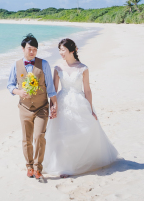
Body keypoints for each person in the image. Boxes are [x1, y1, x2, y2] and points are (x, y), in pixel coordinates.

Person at [42, 38, 118, 177]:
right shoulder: (58, 68)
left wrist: (91, 109)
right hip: (62, 101)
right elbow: (53, 89)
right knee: (62, 134)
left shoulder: (83, 68)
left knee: (80, 132)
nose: (60, 53)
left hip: (79, 101)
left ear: (71, 50)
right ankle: (63, 166)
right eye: (59, 50)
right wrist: (53, 106)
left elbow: (87, 90)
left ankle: (76, 163)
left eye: (63, 50)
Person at [7, 33, 57, 180]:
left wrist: (54, 105)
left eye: (35, 49)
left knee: (39, 137)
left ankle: (38, 168)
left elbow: (51, 88)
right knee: (26, 139)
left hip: (42, 107)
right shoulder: (15, 65)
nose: (32, 51)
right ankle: (29, 166)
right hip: (24, 107)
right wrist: (19, 92)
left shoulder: (45, 64)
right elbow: (10, 85)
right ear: (23, 49)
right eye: (29, 48)